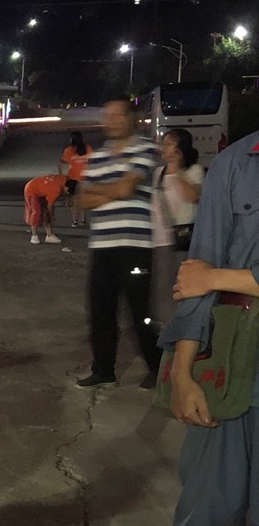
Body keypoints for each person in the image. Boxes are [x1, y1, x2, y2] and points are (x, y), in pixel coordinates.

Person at [126, 128, 257, 526]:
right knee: (203, 514)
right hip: (230, 375)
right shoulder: (235, 164)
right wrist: (182, 372)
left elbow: (210, 276)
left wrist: (225, 279)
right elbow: (193, 278)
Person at [74, 97, 162, 389]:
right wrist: (116, 189)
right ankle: (103, 369)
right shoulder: (96, 156)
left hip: (136, 245)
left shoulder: (145, 148)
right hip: (102, 246)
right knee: (100, 310)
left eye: (117, 115)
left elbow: (126, 188)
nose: (110, 121)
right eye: (106, 115)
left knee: (140, 312)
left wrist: (102, 191)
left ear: (131, 118)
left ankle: (158, 367)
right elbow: (82, 200)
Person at [148, 127, 204, 330]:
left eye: (169, 144)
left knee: (180, 287)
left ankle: (181, 328)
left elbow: (193, 196)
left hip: (182, 239)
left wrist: (178, 170)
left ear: (181, 148)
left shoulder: (194, 170)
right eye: (163, 143)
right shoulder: (158, 173)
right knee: (161, 288)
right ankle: (165, 329)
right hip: (159, 239)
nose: (164, 148)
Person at [23, 172, 66, 244]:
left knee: (46, 213)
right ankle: (34, 235)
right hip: (31, 190)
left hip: (41, 189)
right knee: (36, 212)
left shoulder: (63, 179)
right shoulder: (55, 190)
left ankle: (49, 235)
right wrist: (52, 216)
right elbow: (50, 206)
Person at [61, 131, 92, 227]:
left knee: (73, 200)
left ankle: (74, 220)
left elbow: (62, 162)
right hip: (85, 177)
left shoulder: (68, 150)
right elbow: (92, 160)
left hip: (72, 178)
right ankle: (83, 218)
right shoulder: (87, 148)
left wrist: (62, 175)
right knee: (82, 198)